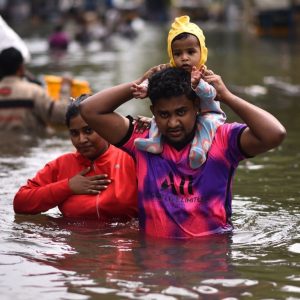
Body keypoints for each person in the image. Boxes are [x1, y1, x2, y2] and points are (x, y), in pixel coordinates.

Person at [79, 67, 286, 238]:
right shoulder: (142, 142)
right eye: (163, 114)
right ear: (153, 113)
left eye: (181, 112)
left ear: (196, 106)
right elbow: (90, 110)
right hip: (155, 266)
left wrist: (227, 97)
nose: (173, 123)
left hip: (210, 265)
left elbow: (274, 134)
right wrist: (140, 82)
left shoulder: (222, 139)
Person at [13, 94, 138, 220]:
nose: (81, 139)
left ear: (104, 127)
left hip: (124, 237)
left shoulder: (131, 158)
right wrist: (68, 187)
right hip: (75, 237)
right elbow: (20, 203)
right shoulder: (62, 165)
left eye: (88, 130)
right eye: (74, 133)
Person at [131, 15, 226, 169]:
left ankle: (199, 150)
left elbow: (211, 94)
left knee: (206, 123)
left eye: (190, 52)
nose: (184, 58)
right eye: (178, 53)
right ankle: (155, 142)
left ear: (202, 52)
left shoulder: (206, 74)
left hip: (208, 113)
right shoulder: (170, 72)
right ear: (171, 54)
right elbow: (154, 81)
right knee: (160, 115)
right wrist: (143, 87)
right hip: (185, 119)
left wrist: (198, 84)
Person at [0, 47, 68, 133]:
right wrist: (65, 87)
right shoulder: (34, 92)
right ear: (21, 68)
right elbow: (62, 115)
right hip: (30, 144)